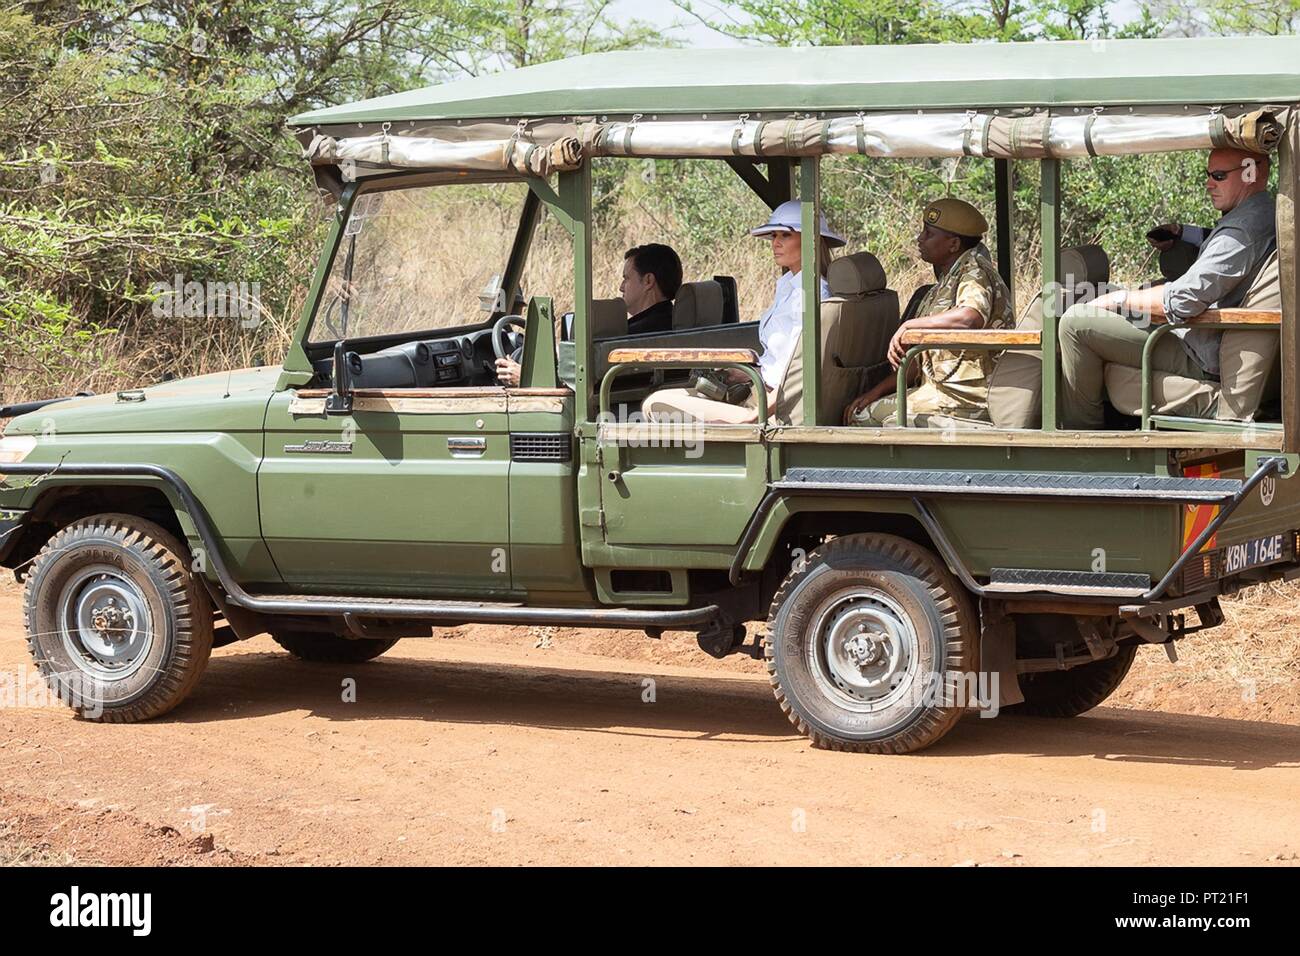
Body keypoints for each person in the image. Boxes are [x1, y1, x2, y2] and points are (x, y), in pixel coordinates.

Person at [1059, 147, 1276, 429]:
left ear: (1251, 173)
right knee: (1112, 295)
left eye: (1219, 176)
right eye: (1208, 174)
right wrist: (1183, 233)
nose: (1209, 183)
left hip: (1200, 351)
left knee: (1075, 323)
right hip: (1205, 338)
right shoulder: (1265, 215)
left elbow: (1184, 300)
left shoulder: (1242, 232)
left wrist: (1121, 299)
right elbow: (1223, 249)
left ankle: (1082, 436)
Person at [641, 200, 844, 424]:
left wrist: (752, 418)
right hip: (761, 390)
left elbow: (799, 372)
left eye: (785, 235)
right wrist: (747, 372)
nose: (775, 243)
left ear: (812, 240)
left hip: (773, 407)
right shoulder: (791, 286)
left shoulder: (811, 295)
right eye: (773, 236)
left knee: (657, 403)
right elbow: (782, 361)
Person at [843, 198, 1013, 426]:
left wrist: (909, 326)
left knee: (862, 418)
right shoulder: (945, 282)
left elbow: (970, 317)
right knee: (860, 409)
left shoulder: (974, 271)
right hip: (939, 389)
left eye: (929, 234)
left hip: (965, 397)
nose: (920, 239)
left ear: (953, 244)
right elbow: (920, 361)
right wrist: (874, 393)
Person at [495, 243, 683, 385]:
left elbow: (588, 387)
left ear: (648, 280)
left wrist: (528, 379)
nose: (621, 287)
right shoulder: (672, 325)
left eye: (627, 278)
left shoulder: (636, 338)